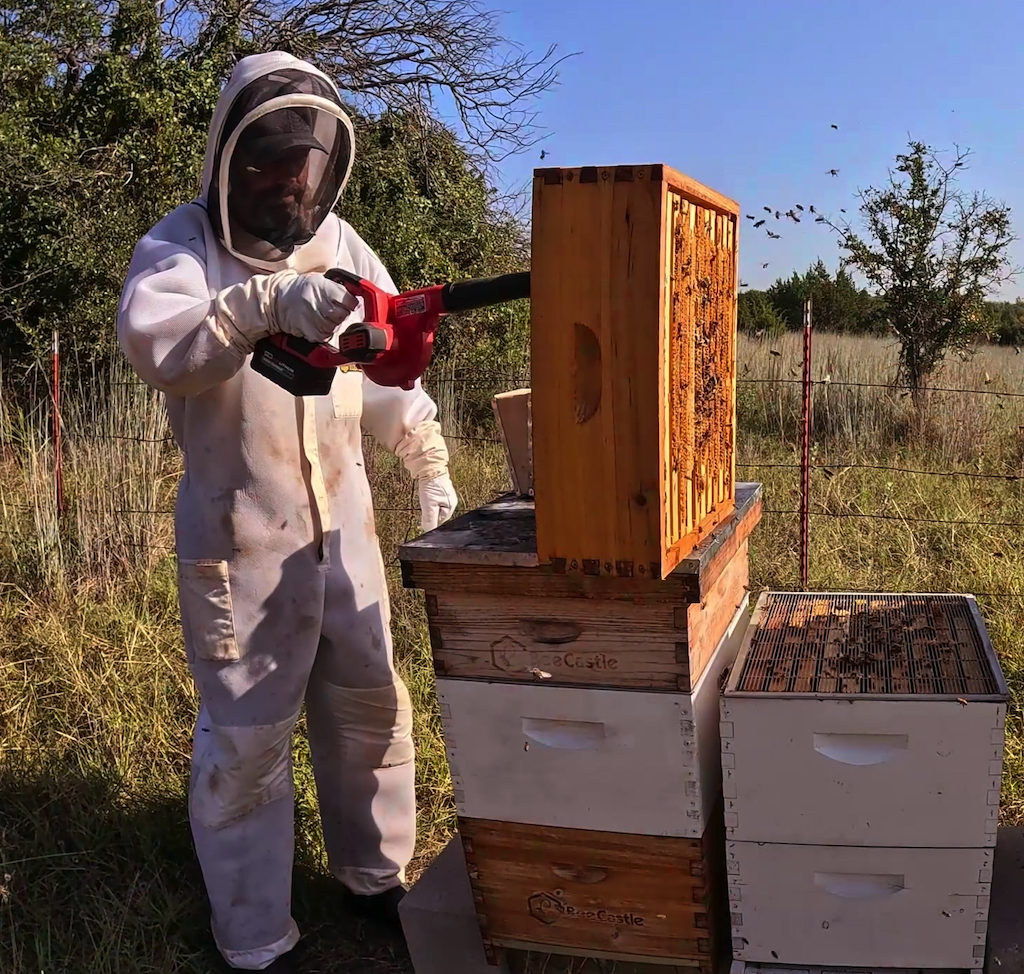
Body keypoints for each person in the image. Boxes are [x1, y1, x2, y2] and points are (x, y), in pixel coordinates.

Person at [116, 51, 458, 972]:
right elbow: (163, 347)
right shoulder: (183, 245)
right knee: (249, 745)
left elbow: (381, 362)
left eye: (300, 162)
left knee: (370, 713)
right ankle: (257, 938)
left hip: (344, 536)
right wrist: (261, 304)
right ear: (232, 158)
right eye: (268, 161)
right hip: (242, 544)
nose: (286, 180)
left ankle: (372, 878)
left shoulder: (342, 245)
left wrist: (422, 450)